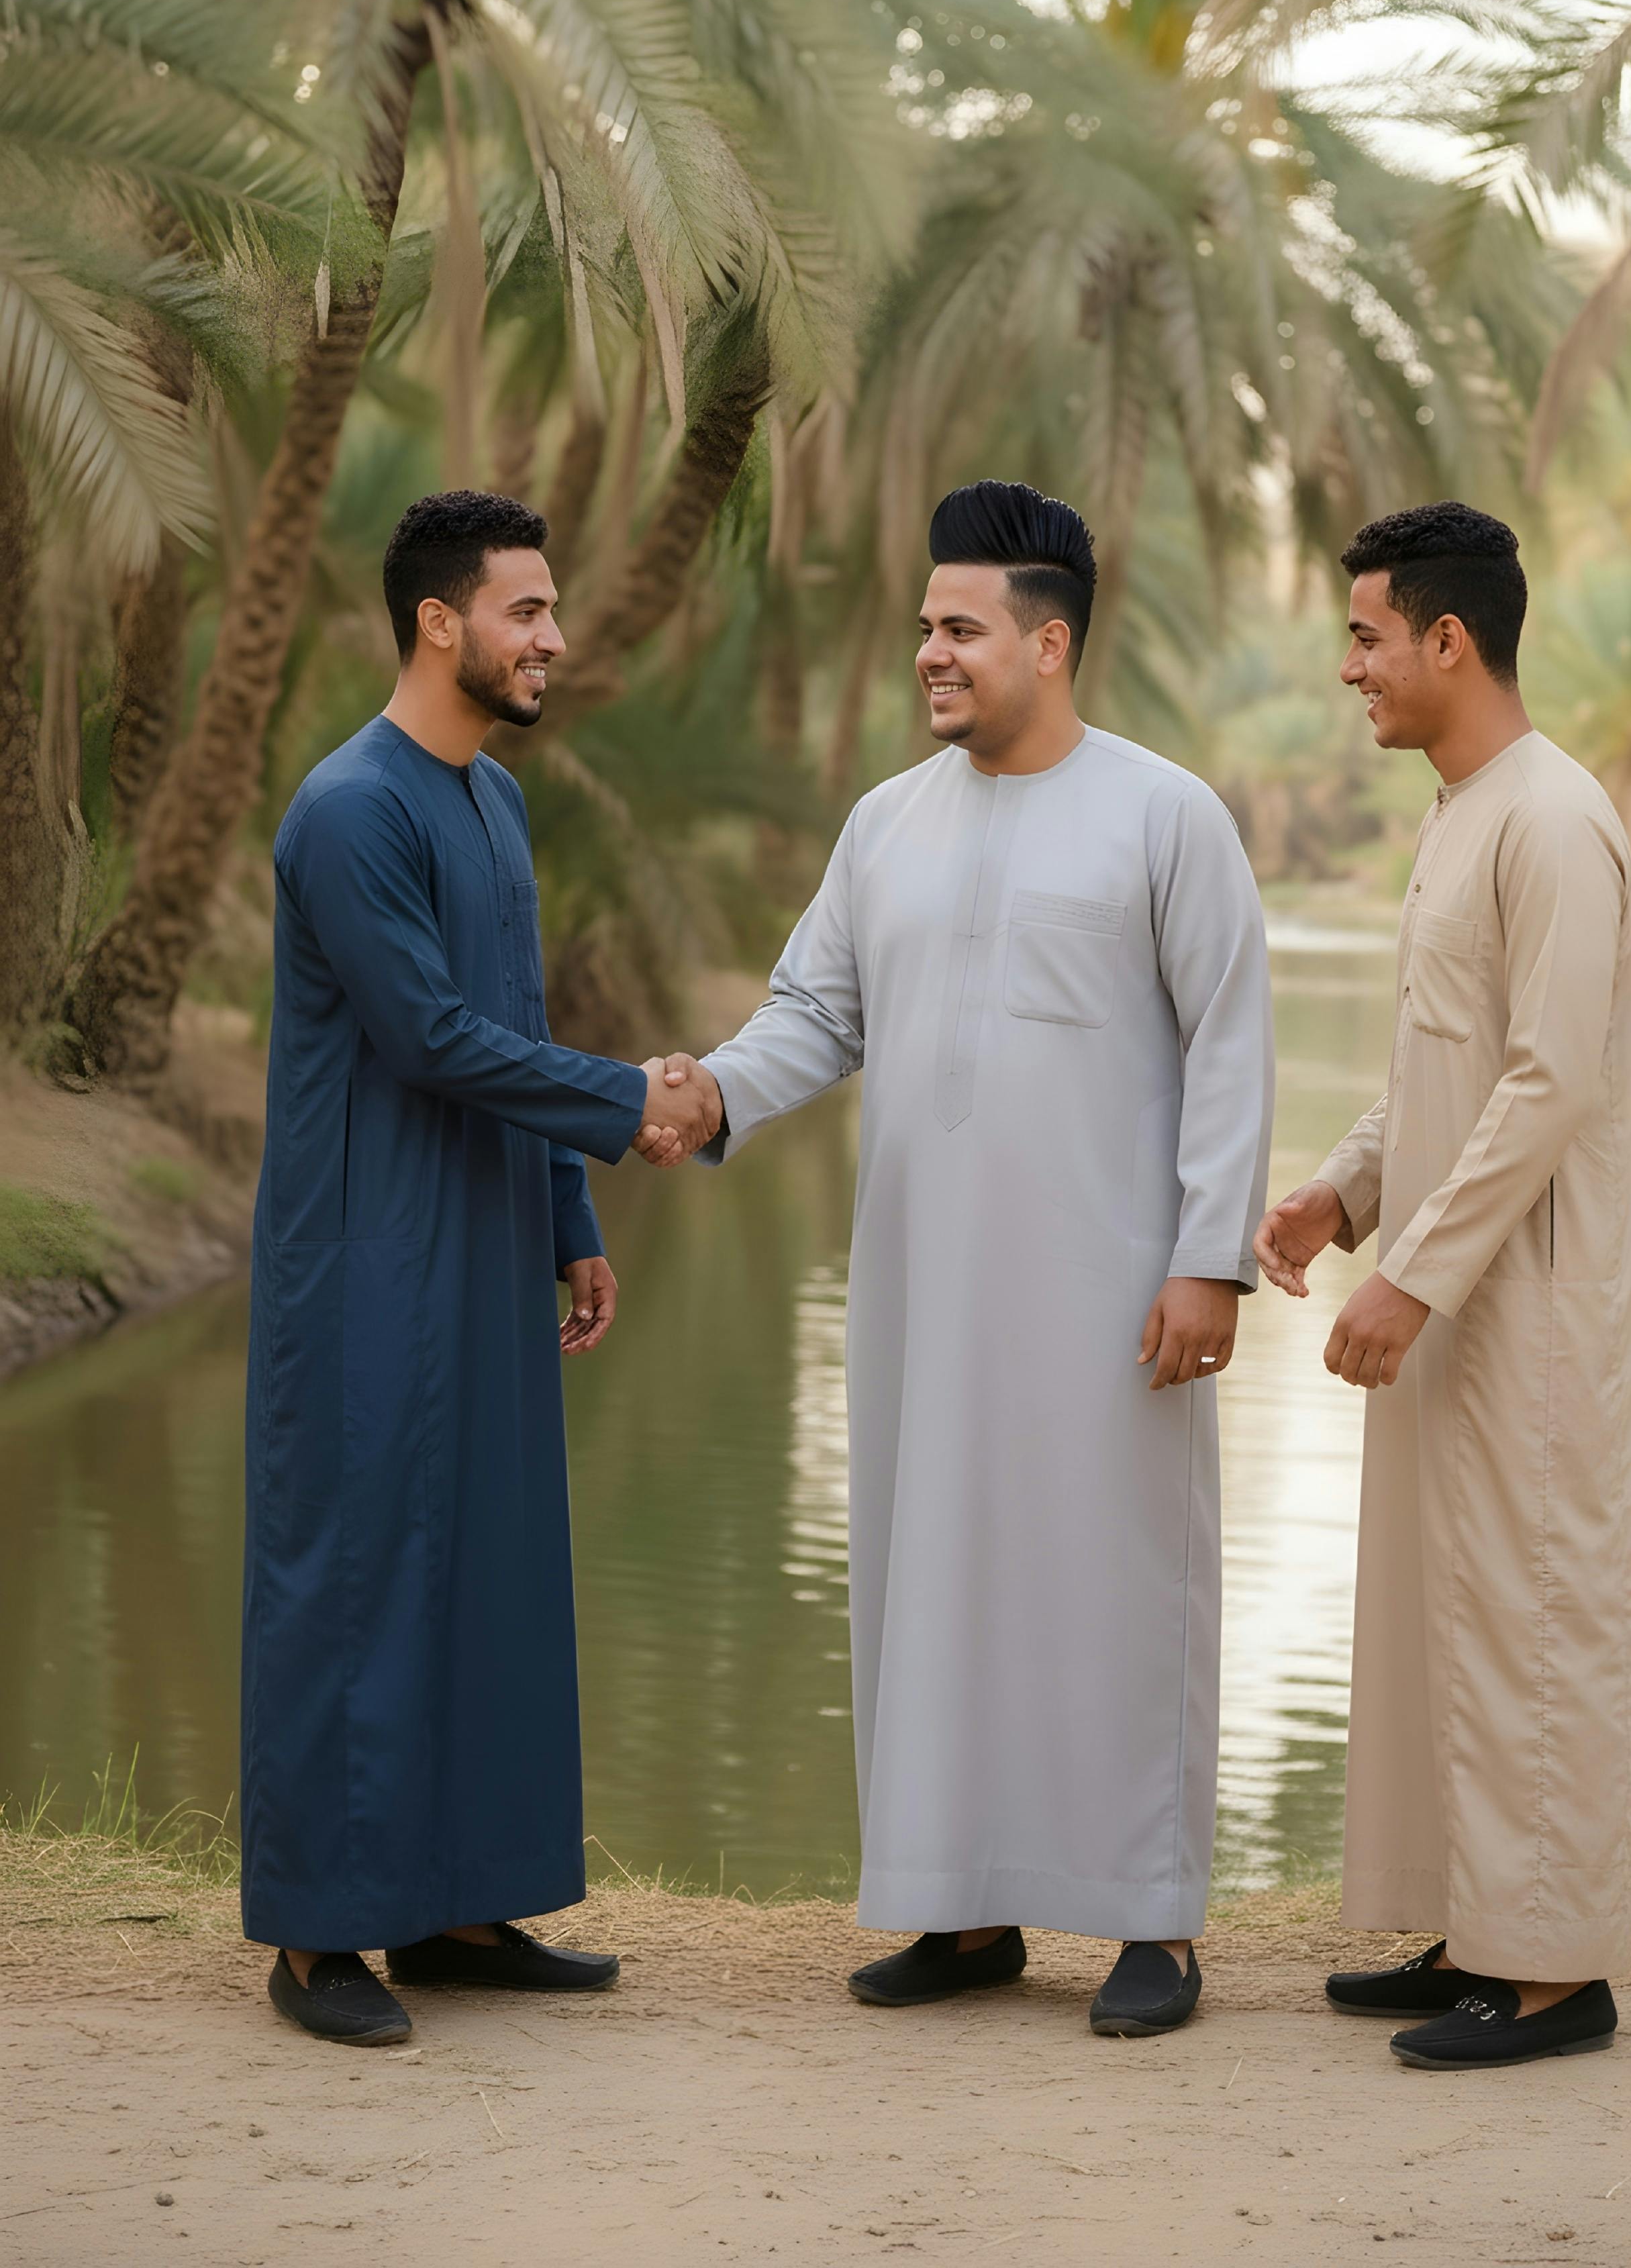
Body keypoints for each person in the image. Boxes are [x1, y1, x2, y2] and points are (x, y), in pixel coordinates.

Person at [654, 481, 1273, 2037]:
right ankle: (963, 1907)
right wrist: (715, 1091)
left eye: (961, 627)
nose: (929, 650)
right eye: (925, 624)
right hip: (923, 1295)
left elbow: (1230, 1044)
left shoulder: (1166, 815)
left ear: (1048, 644)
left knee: (1121, 1586)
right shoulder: (887, 823)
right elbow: (818, 1010)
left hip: (1113, 1297)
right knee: (930, 1579)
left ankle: (1151, 1921)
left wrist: (1210, 1256)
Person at [244, 489, 704, 2047]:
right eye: (528, 609)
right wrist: (632, 1100)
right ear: (440, 621)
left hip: (491, 1245)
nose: (554, 636)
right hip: (365, 1260)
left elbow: (511, 1008)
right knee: (355, 1574)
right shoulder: (347, 808)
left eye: (552, 608)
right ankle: (318, 1934)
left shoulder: (495, 802)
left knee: (488, 1569)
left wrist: (571, 1218)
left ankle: (456, 1907)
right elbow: (430, 1037)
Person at [1254, 501, 1631, 2071]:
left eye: (1365, 637)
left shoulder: (1552, 819)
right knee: (1450, 1610)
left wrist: (1409, 1276)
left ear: (1447, 636)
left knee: (1536, 1612)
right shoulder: (1465, 811)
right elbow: (1445, 1063)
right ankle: (1475, 1930)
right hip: (1457, 1290)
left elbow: (1549, 1083)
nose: (1349, 666)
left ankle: (1552, 1977)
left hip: (1531, 1304)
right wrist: (1343, 1192)